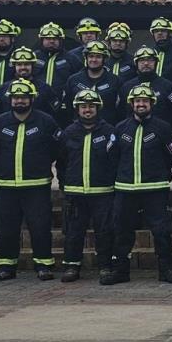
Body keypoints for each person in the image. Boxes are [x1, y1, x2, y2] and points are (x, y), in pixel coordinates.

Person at [0, 79, 60, 282]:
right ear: (10, 100)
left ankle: (43, 265)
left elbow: (56, 149)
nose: (19, 101)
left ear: (32, 99)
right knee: (6, 228)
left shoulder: (46, 122)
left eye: (23, 97)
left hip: (36, 185)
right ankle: (6, 267)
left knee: (40, 227)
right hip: (6, 186)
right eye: (16, 97)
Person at [111, 85, 172, 284]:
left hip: (155, 189)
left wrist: (167, 176)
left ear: (152, 104)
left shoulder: (163, 128)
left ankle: (167, 270)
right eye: (137, 101)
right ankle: (121, 271)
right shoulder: (120, 128)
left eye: (145, 101)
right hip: (125, 189)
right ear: (131, 104)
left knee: (162, 232)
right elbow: (113, 157)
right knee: (122, 232)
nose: (141, 104)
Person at [56, 88, 117, 283]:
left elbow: (115, 160)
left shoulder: (109, 132)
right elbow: (62, 162)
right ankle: (71, 266)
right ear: (77, 109)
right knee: (73, 232)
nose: (87, 110)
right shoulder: (68, 132)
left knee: (105, 231)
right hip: (75, 192)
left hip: (103, 192)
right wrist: (66, 184)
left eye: (91, 106)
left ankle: (105, 266)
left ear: (98, 108)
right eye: (83, 107)